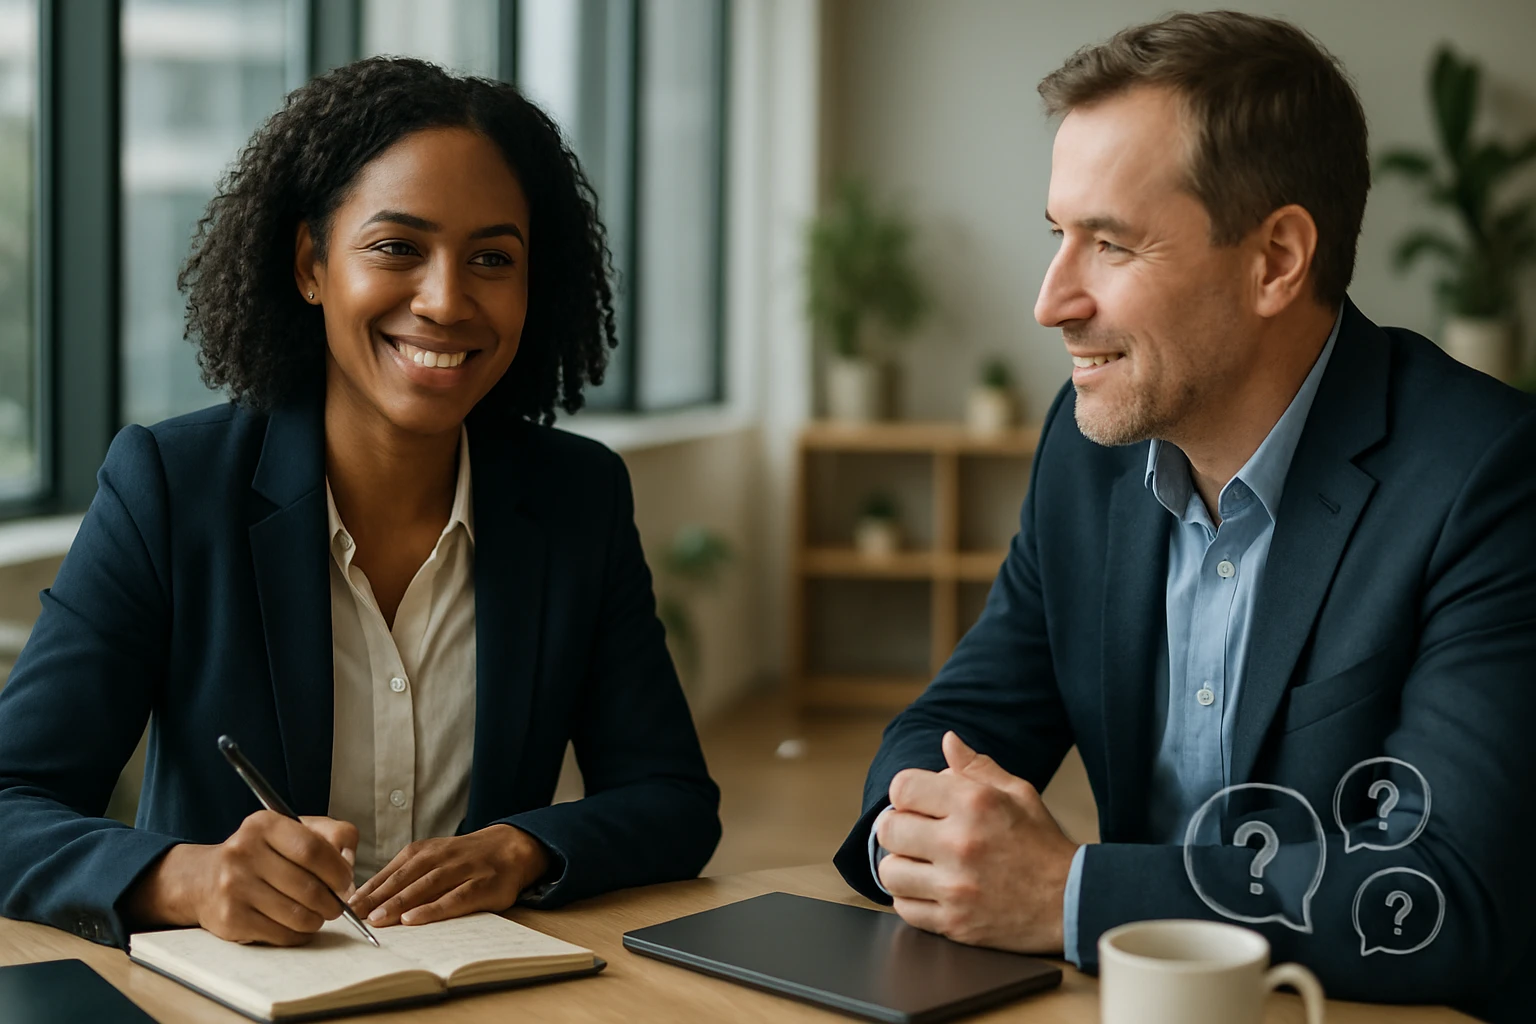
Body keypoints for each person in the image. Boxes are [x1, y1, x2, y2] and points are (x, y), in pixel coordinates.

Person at [834, 12, 1536, 1021]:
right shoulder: (1088, 454)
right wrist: (928, 832)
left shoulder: (1487, 476)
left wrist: (1069, 893)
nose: (1050, 301)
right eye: (1056, 236)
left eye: (1108, 243)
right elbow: (959, 723)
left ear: (1276, 260)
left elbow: (1439, 890)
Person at [0, 57, 720, 950]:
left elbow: (673, 801)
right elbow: (9, 800)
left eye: (493, 258)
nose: (447, 299)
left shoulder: (578, 498)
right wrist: (187, 877)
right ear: (311, 263)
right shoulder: (169, 487)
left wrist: (524, 848)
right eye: (397, 248)